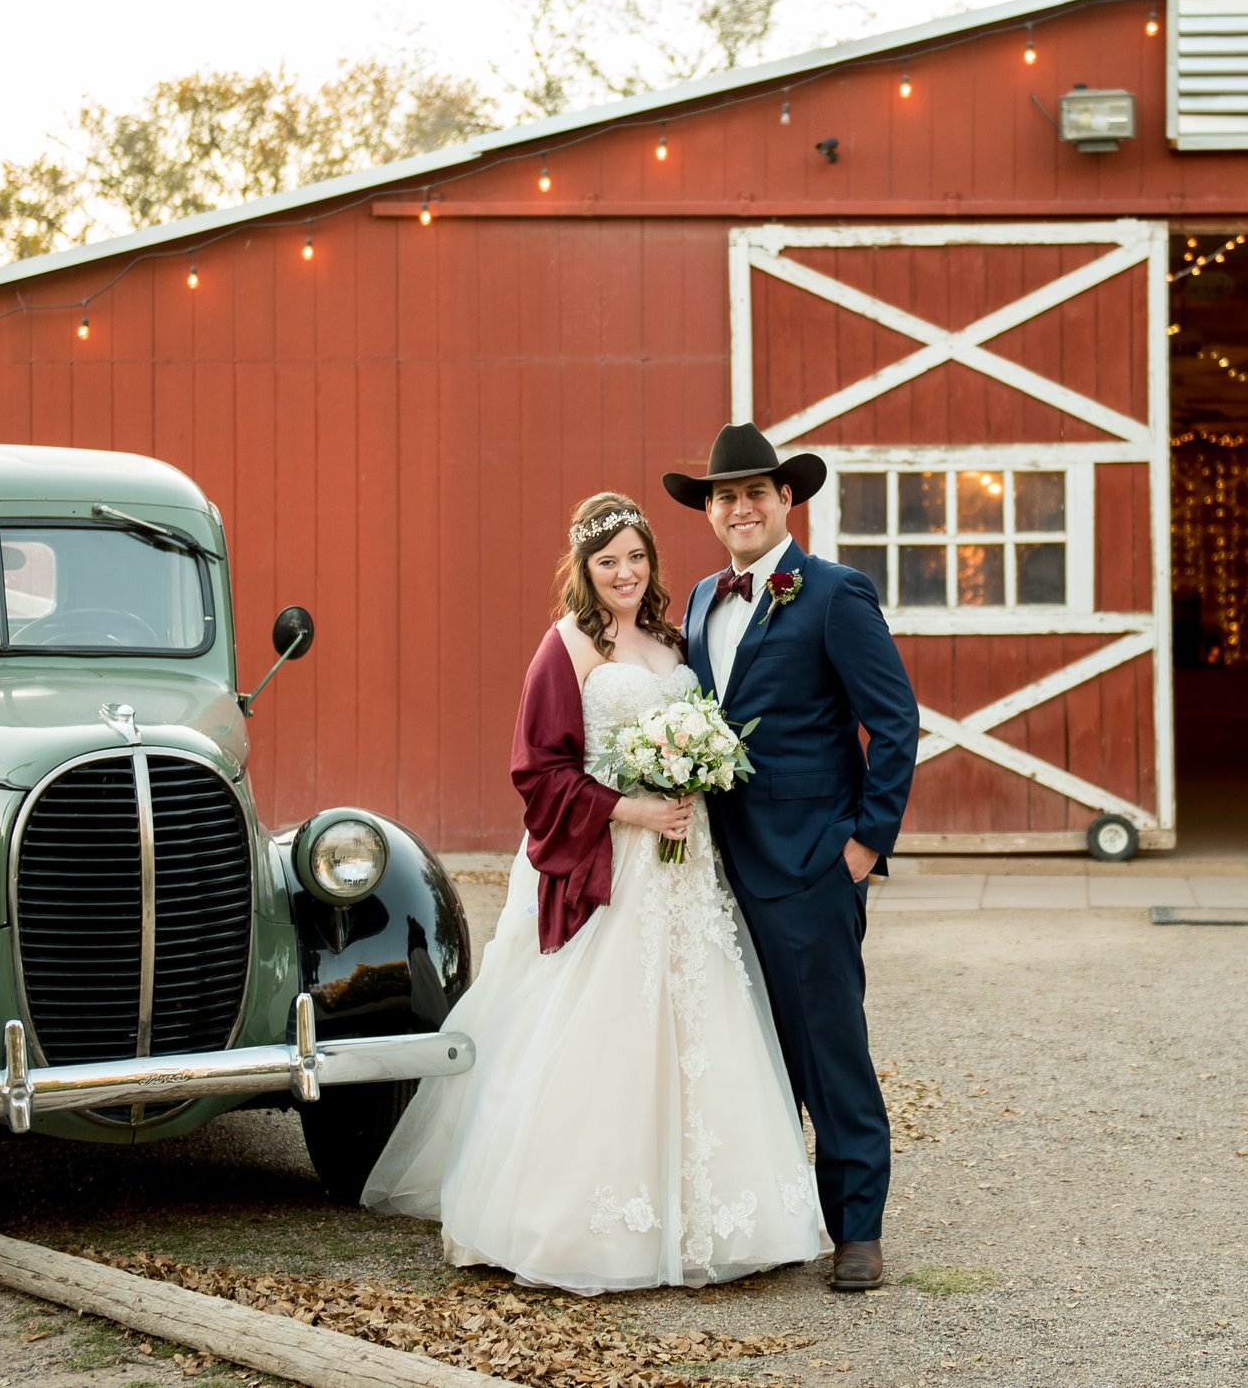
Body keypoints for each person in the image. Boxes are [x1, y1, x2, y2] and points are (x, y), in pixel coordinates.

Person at [360, 491, 828, 1294]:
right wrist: (631, 806)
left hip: (688, 868)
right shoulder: (569, 643)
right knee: (603, 1025)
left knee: (702, 1019)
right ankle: (582, 1218)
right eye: (607, 560)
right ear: (584, 568)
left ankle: (718, 1211)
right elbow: (538, 770)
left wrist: (697, 771)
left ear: (652, 561)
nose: (623, 571)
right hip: (613, 866)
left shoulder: (674, 638)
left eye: (635, 556)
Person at [664, 425, 919, 1294]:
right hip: (712, 866)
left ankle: (858, 1229)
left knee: (826, 1045)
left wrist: (863, 844)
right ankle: (773, 1210)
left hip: (811, 863)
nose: (740, 507)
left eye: (756, 494)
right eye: (724, 496)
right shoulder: (699, 599)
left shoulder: (835, 593)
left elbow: (895, 722)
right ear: (709, 510)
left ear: (786, 502)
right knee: (743, 1046)